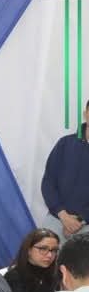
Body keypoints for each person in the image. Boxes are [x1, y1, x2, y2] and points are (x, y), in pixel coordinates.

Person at [40, 98, 89, 240]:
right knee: (41, 252)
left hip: (86, 225)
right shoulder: (65, 143)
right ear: (85, 113)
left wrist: (80, 220)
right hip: (56, 219)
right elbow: (48, 182)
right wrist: (63, 215)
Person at [4, 228, 60, 292]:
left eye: (54, 250)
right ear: (28, 250)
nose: (50, 255)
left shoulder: (56, 272)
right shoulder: (13, 277)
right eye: (43, 249)